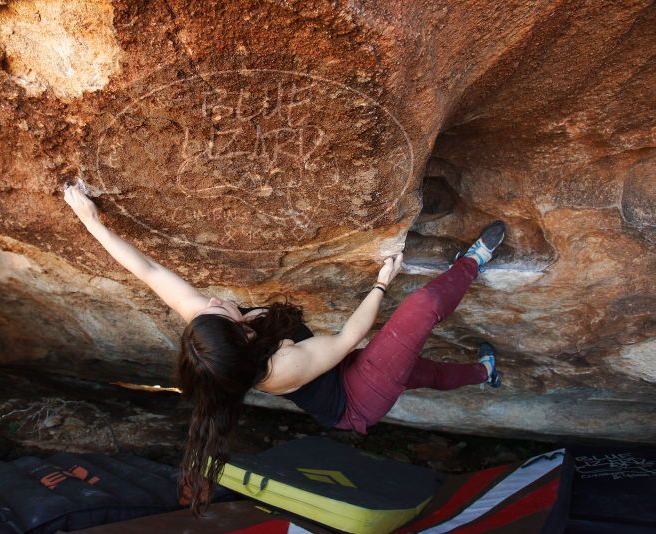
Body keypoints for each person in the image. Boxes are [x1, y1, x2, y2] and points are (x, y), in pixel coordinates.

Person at [63, 183, 504, 516]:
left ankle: (486, 373)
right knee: (421, 308)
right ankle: (472, 262)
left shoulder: (216, 332)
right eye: (217, 310)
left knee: (421, 373)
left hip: (336, 366)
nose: (212, 301)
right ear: (242, 336)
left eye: (208, 309)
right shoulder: (281, 366)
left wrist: (89, 220)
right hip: (356, 399)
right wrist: (382, 281)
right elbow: (349, 338)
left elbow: (150, 271)